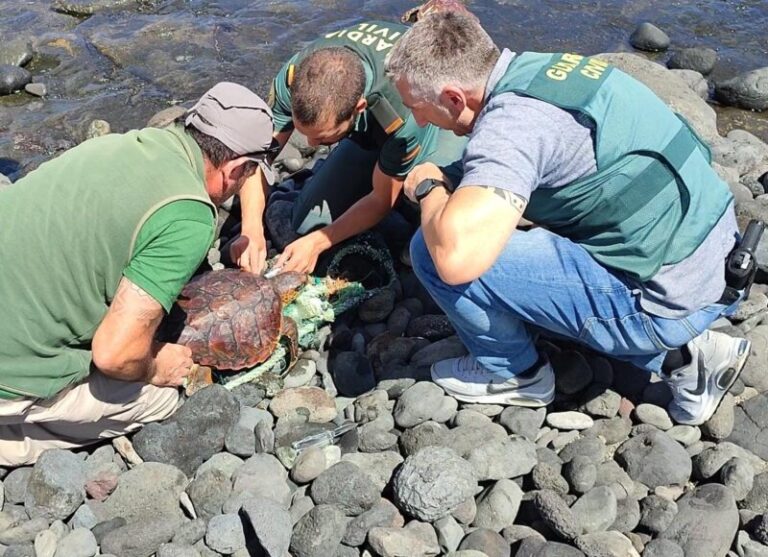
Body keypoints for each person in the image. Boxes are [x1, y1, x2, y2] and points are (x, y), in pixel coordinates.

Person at [384, 11, 751, 426]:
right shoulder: (540, 68)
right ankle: (690, 357)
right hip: (719, 253)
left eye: (417, 106)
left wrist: (430, 188)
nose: (417, 120)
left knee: (430, 253)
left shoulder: (512, 127)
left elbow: (455, 259)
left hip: (667, 300)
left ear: (454, 97)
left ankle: (516, 374)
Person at [0, 82, 275, 465]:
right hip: (10, 368)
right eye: (248, 174)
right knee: (161, 397)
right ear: (234, 170)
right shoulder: (190, 216)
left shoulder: (133, 143)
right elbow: (114, 355)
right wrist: (158, 365)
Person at [230, 17, 467, 275]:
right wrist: (250, 230)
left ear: (358, 109)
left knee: (432, 217)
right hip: (371, 126)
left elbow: (381, 198)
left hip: (438, 118)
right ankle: (379, 164)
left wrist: (319, 243)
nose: (310, 144)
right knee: (305, 223)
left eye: (322, 139)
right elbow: (257, 158)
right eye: (305, 134)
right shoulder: (295, 77)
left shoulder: (400, 112)